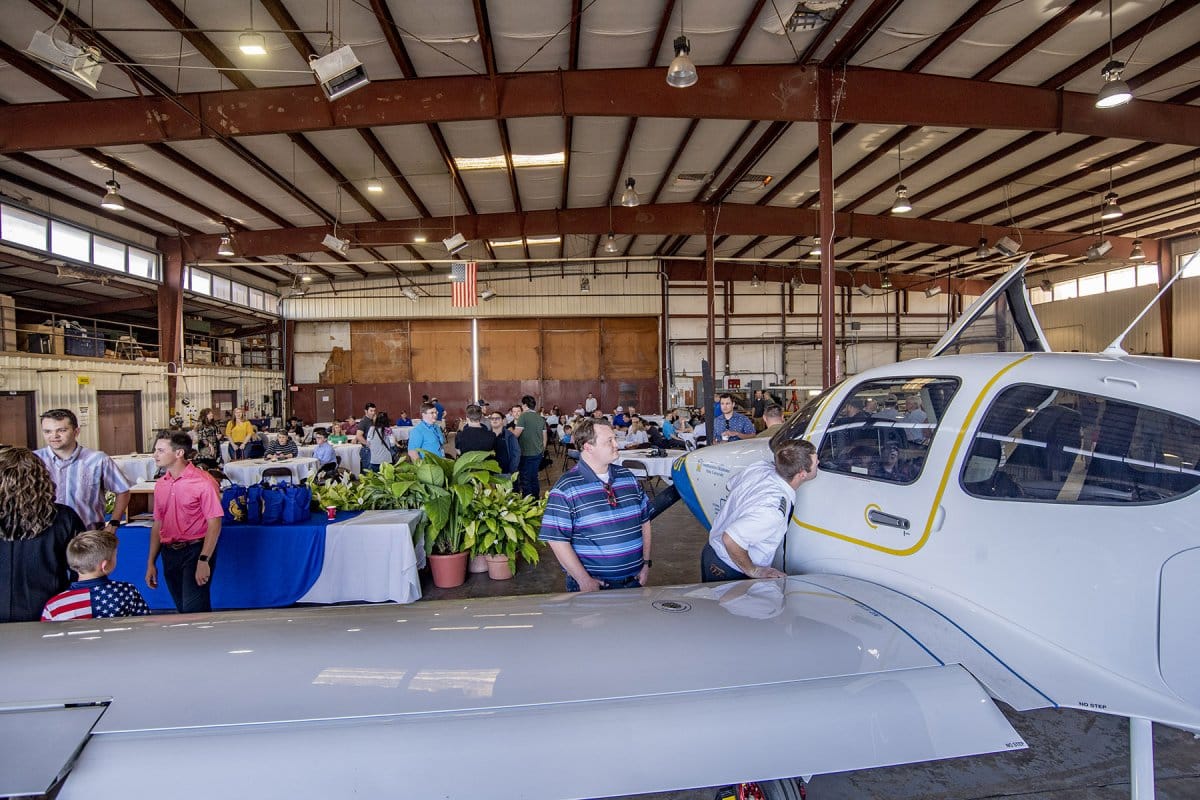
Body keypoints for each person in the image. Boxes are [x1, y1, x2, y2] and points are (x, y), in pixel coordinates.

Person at [539, 418, 651, 593]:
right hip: (594, 585)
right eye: (609, 441)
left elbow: (645, 522)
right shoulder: (566, 488)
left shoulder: (628, 477)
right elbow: (556, 539)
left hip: (634, 582)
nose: (616, 444)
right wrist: (583, 580)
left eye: (615, 438)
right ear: (588, 447)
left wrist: (645, 563)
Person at [701, 440, 819, 583]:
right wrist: (753, 570)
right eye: (815, 460)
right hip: (729, 568)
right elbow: (731, 539)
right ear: (802, 474)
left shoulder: (760, 467)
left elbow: (730, 485)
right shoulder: (772, 510)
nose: (818, 461)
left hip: (712, 552)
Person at [0, 446, 86, 623]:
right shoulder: (63, 517)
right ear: (41, 479)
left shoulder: (64, 517)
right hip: (49, 610)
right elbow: (83, 570)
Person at [146, 432, 223, 614]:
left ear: (179, 453)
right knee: (182, 609)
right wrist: (151, 562)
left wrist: (204, 560)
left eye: (160, 450)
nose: (155, 455)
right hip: (169, 552)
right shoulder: (161, 484)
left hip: (195, 550)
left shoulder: (203, 482)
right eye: (155, 450)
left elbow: (215, 523)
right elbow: (158, 523)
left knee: (194, 610)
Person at [35, 408, 131, 532]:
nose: (54, 436)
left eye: (62, 430)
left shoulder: (98, 460)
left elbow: (123, 491)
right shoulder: (34, 460)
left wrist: (113, 524)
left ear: (76, 431)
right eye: (47, 431)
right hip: (44, 533)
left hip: (87, 534)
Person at [41, 528, 151, 621]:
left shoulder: (55, 605)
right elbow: (143, 624)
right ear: (105, 565)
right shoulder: (127, 591)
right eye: (115, 555)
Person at [513, 395, 547, 497]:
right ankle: (536, 500)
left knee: (525, 479)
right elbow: (544, 438)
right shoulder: (541, 418)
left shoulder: (523, 416)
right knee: (534, 477)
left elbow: (516, 435)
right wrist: (542, 451)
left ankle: (528, 502)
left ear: (525, 405)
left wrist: (509, 432)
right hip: (538, 453)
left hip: (526, 453)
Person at [489, 411, 521, 477]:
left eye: (497, 418)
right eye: (492, 418)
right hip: (490, 473)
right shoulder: (487, 435)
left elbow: (516, 453)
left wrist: (512, 470)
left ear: (503, 420)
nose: (494, 420)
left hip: (505, 473)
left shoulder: (509, 435)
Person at [355, 403, 378, 470]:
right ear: (366, 411)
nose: (373, 413)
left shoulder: (372, 420)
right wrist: (368, 444)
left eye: (374, 411)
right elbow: (359, 436)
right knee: (368, 471)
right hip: (367, 450)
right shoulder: (363, 421)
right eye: (371, 411)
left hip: (372, 449)